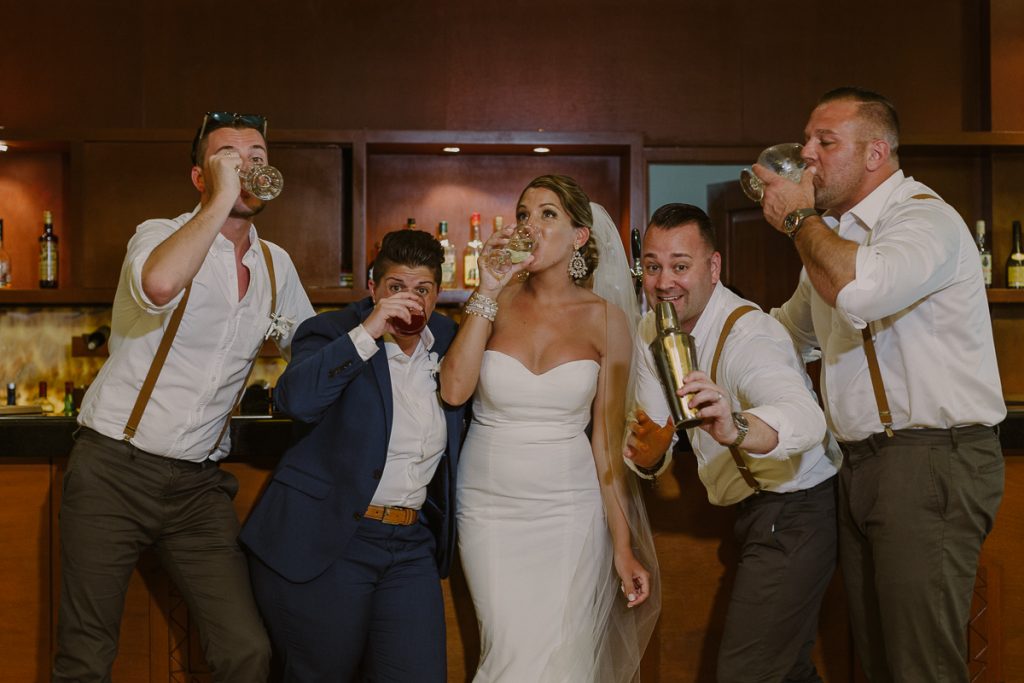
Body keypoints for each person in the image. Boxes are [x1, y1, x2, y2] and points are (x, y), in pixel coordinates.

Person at [53, 111, 315, 682]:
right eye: (229, 157)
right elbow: (159, 285)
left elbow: (313, 355)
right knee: (86, 656)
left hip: (197, 486)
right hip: (113, 471)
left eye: (258, 157)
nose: (248, 166)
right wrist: (221, 201)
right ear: (200, 176)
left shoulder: (276, 265)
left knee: (246, 652)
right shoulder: (156, 235)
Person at [756, 86, 1006, 682]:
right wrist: (695, 332)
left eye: (825, 142)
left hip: (930, 460)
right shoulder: (834, 238)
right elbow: (787, 332)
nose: (807, 155)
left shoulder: (925, 219)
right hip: (860, 464)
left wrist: (797, 217)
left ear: (876, 154)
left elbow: (862, 292)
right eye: (806, 141)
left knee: (920, 666)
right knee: (878, 662)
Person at [439, 174, 660, 682]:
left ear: (579, 236)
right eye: (523, 214)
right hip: (489, 505)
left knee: (564, 655)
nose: (530, 226)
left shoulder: (607, 322)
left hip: (569, 511)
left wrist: (622, 545)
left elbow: (605, 445)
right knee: (509, 649)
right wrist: (487, 290)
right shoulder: (494, 301)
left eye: (547, 214)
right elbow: (453, 390)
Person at [625, 203, 841, 683]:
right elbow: (649, 435)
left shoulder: (751, 333)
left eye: (681, 266)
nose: (664, 283)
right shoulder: (649, 329)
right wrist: (649, 456)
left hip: (797, 512)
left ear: (713, 266)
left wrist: (736, 427)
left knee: (746, 673)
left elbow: (806, 420)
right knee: (785, 672)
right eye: (654, 266)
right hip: (752, 516)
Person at [240, 228, 466, 682]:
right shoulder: (330, 330)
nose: (411, 301)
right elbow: (295, 400)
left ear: (437, 293)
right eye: (396, 288)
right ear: (372, 288)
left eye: (423, 290)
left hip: (410, 545)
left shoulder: (447, 338)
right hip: (330, 539)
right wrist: (368, 332)